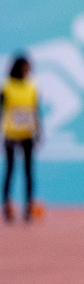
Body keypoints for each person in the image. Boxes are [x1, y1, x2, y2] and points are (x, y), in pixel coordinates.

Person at [2, 55, 41, 224]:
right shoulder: (7, 87)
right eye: (26, 67)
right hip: (11, 133)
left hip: (27, 133)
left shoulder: (32, 87)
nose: (28, 70)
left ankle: (28, 207)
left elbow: (35, 110)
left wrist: (39, 131)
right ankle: (7, 206)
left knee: (28, 171)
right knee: (10, 171)